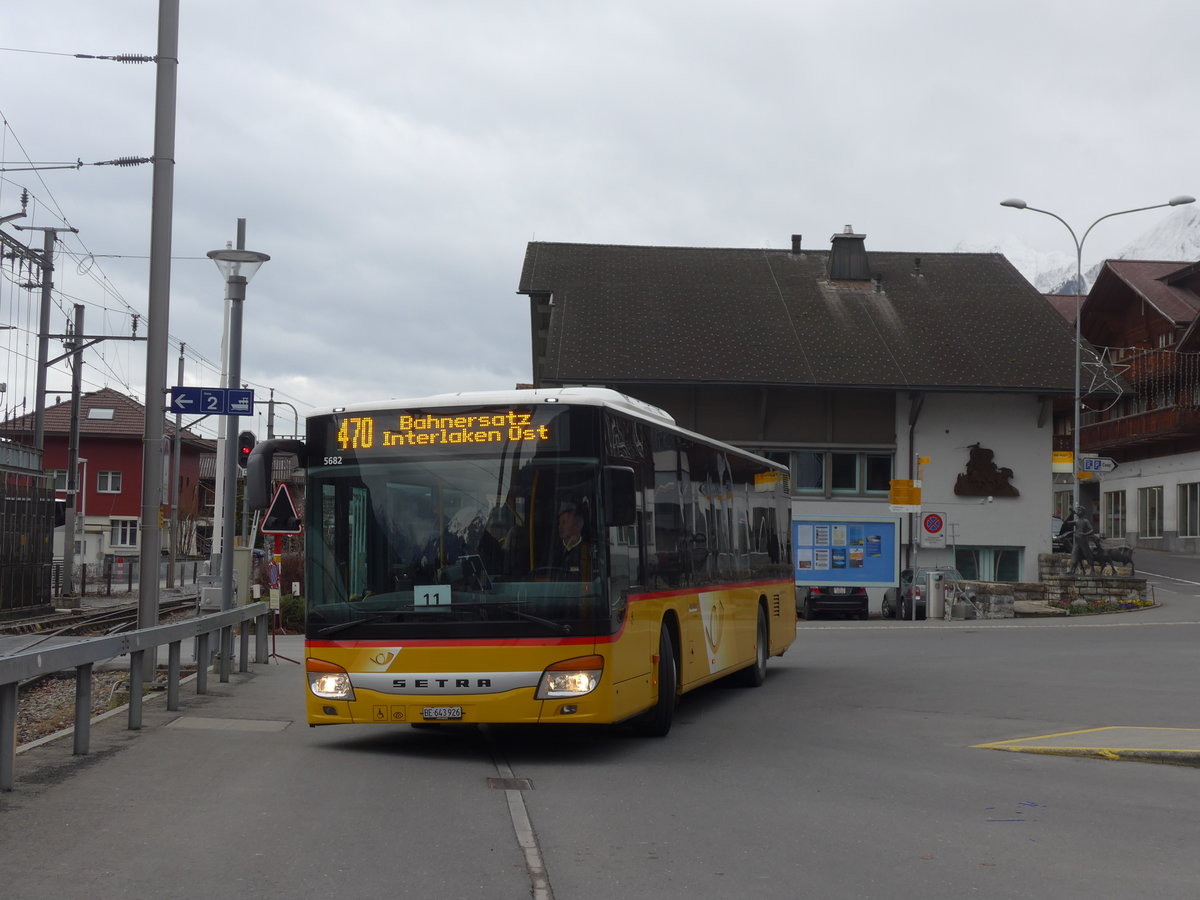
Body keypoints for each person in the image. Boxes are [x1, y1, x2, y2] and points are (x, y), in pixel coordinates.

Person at [553, 504, 591, 578]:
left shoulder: (588, 551)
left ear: (577, 527)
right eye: (559, 523)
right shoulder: (553, 551)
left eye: (564, 522)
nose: (560, 526)